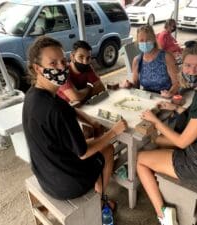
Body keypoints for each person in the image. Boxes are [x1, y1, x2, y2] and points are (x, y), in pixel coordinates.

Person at [137, 39, 197, 225]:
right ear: (183, 64)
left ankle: (164, 217)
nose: (192, 71)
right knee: (158, 141)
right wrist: (175, 108)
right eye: (188, 65)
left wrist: (155, 120)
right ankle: (159, 163)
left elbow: (182, 142)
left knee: (140, 159)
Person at [23, 36, 127, 205]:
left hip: (45, 175)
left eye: (63, 62)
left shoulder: (33, 95)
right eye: (53, 63)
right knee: (107, 149)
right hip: (67, 185)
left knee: (90, 138)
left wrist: (90, 121)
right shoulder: (56, 109)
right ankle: (100, 200)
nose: (61, 67)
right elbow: (83, 152)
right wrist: (114, 131)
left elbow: (70, 108)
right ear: (37, 68)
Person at [121, 25, 179, 98]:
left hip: (166, 99)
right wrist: (129, 85)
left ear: (154, 40)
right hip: (147, 98)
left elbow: (177, 82)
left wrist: (170, 93)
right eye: (141, 40)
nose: (145, 43)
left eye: (148, 40)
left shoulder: (166, 57)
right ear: (137, 42)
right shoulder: (137, 60)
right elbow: (136, 85)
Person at [57, 40, 105, 104]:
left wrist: (80, 94)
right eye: (81, 57)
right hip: (65, 108)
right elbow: (75, 97)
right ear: (72, 57)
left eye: (88, 58)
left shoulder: (88, 68)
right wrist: (89, 88)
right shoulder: (62, 72)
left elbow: (101, 88)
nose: (85, 62)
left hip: (82, 105)